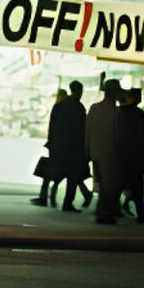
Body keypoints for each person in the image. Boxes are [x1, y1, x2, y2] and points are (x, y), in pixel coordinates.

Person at [38, 81, 92, 212]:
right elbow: (83, 130)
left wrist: (51, 144)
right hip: (74, 149)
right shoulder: (79, 108)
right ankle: (67, 203)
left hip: (59, 147)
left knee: (57, 173)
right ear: (79, 91)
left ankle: (47, 196)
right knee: (73, 177)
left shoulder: (59, 106)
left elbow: (52, 127)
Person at [85, 77, 124, 225]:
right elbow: (118, 135)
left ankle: (104, 209)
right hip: (111, 152)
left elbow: (87, 131)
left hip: (96, 152)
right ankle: (105, 212)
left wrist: (87, 151)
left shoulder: (94, 108)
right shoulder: (116, 112)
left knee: (101, 183)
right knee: (109, 185)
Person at [115, 88, 144, 225]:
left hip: (122, 155)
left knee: (118, 185)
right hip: (137, 156)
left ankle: (111, 210)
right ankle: (141, 215)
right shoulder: (143, 115)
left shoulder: (119, 113)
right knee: (138, 187)